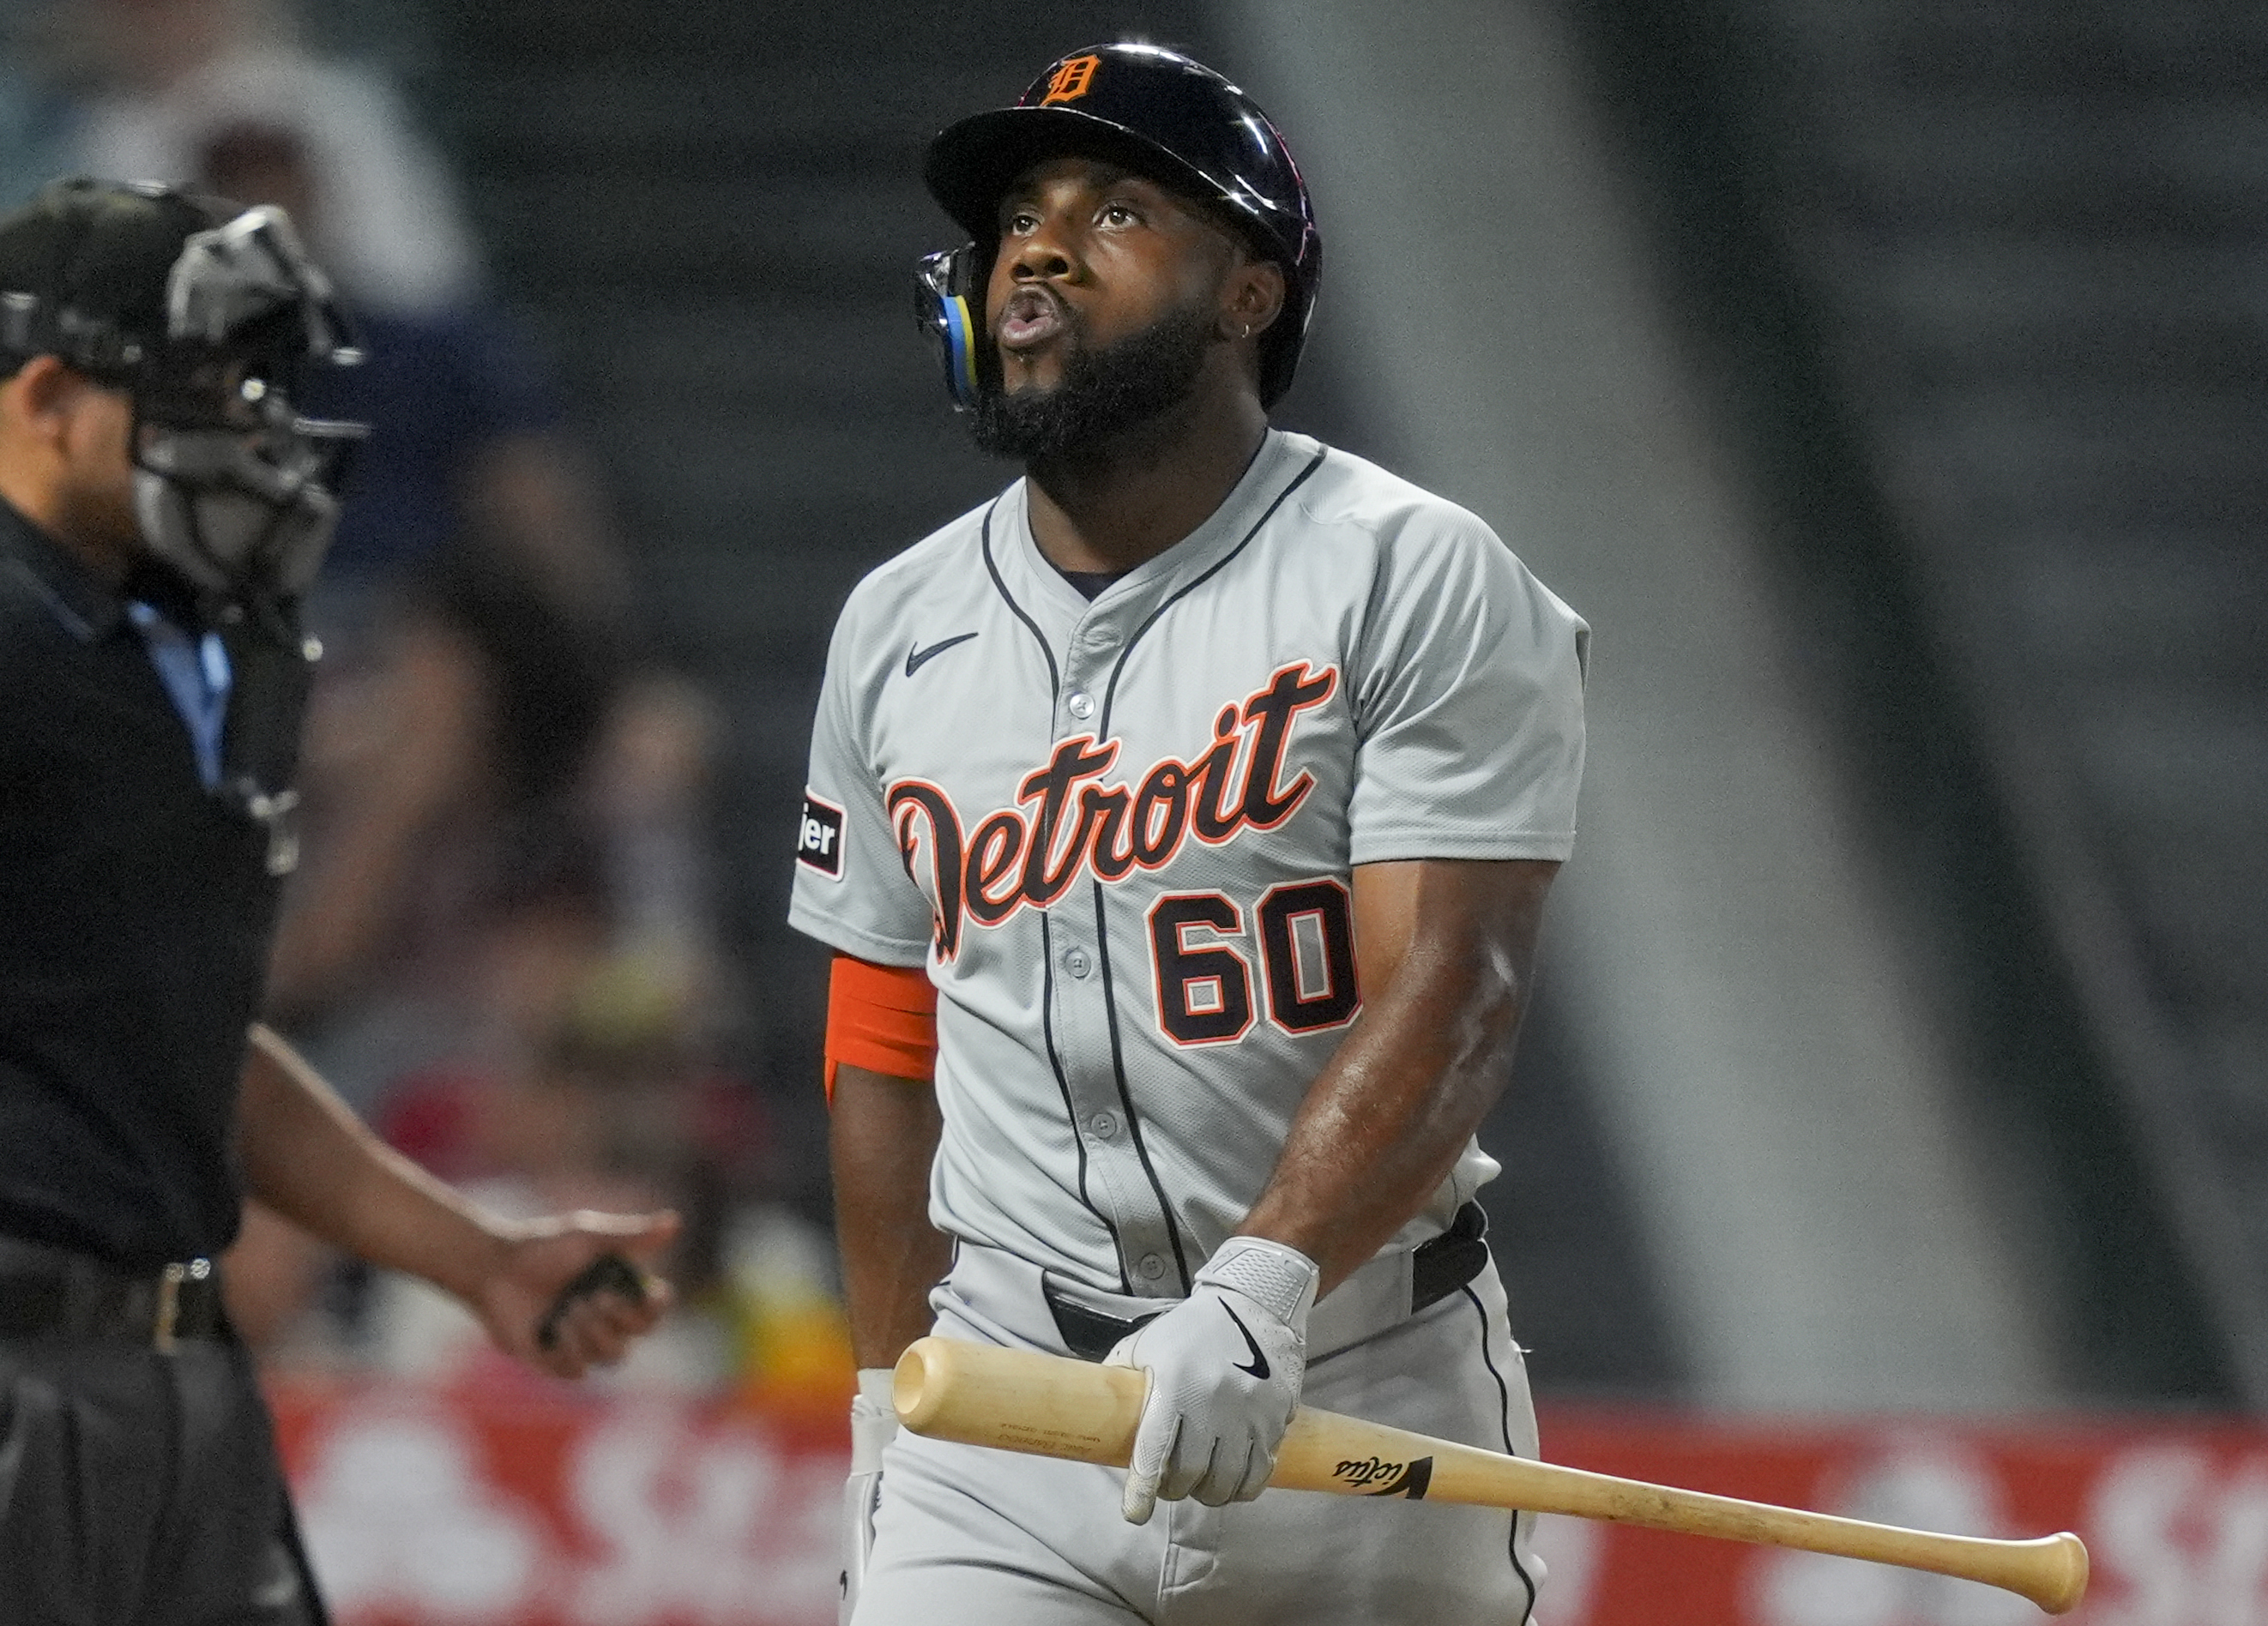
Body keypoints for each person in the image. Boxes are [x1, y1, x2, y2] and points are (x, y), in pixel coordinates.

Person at [792, 44, 1588, 1626]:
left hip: (1350, 1390)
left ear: (1249, 293)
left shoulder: (1407, 574)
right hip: (1008, 1418)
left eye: (1118, 208)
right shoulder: (896, 625)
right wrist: (886, 1398)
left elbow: (1452, 986)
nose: (1037, 243)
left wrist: (1263, 1287)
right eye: (1020, 211)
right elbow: (884, 1042)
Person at [0, 177, 675, 1626]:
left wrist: (473, 1256)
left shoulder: (150, 642)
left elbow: (178, 1040)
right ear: (47, 395)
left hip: (167, 1376)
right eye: (199, 388)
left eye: (257, 386)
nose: (250, 430)